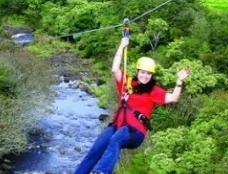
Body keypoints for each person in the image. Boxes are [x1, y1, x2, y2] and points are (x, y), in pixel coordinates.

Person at [75, 34, 190, 174]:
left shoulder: (153, 90)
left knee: (116, 138)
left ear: (151, 75)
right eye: (143, 72)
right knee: (95, 151)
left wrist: (179, 82)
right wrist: (122, 46)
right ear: (138, 72)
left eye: (148, 74)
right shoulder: (127, 83)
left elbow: (173, 98)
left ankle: (102, 172)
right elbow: (115, 69)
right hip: (117, 126)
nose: (145, 76)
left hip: (135, 132)